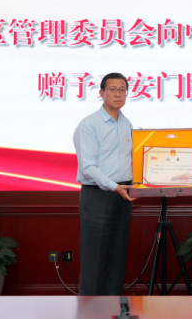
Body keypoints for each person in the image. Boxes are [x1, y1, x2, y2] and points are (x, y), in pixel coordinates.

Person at [73, 72, 136, 295]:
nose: (118, 94)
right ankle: (90, 309)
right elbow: (88, 168)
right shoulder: (89, 125)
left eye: (122, 90)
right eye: (113, 89)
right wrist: (114, 186)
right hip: (99, 195)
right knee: (95, 257)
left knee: (117, 255)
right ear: (101, 93)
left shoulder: (127, 123)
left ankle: (112, 305)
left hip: (124, 194)